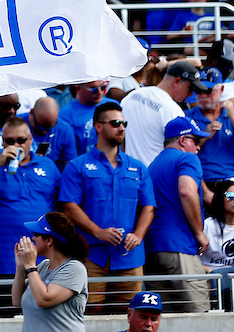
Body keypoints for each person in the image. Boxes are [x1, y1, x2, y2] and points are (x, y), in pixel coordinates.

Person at [59, 104, 154, 314]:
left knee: (130, 315)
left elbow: (148, 207)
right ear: (98, 127)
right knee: (90, 314)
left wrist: (138, 235)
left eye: (124, 124)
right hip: (91, 255)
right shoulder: (77, 166)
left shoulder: (138, 167)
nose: (121, 128)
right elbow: (69, 207)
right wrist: (98, 231)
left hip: (129, 256)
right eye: (115, 123)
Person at [0, 116, 60, 291]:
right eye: (10, 141)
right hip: (1, 258)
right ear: (2, 142)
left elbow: (61, 206)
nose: (16, 145)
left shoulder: (48, 166)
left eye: (21, 140)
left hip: (43, 260)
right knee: (2, 313)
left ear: (30, 140)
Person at [145, 117, 209, 314]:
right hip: (179, 246)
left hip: (151, 249)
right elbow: (187, 190)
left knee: (166, 320)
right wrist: (199, 232)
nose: (198, 148)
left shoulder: (152, 165)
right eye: (196, 141)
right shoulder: (187, 158)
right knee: (199, 318)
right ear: (183, 140)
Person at [12, 213, 89, 332]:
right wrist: (21, 267)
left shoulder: (74, 268)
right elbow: (17, 301)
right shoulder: (43, 266)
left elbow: (44, 300)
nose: (33, 238)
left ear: (49, 240)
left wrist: (30, 266)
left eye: (36, 235)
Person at [119, 61, 204, 165]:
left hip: (129, 172)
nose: (191, 94)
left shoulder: (132, 96)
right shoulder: (173, 110)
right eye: (190, 88)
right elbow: (180, 152)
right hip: (155, 175)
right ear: (177, 81)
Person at [188, 68, 234, 190]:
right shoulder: (187, 116)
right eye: (199, 90)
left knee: (233, 203)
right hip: (197, 181)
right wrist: (204, 136)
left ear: (221, 90)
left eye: (208, 90)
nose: (203, 95)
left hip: (229, 181)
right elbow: (182, 152)